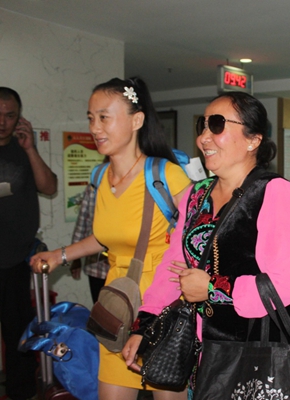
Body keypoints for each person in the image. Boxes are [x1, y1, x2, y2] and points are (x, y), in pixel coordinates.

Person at [121, 91, 290, 398]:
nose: (203, 138)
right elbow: (172, 266)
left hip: (251, 349)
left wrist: (211, 288)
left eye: (217, 125)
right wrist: (145, 325)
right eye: (202, 126)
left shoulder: (273, 193)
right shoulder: (197, 195)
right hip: (201, 348)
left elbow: (286, 284)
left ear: (253, 140)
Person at [30, 77, 191, 400]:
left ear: (136, 120)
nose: (95, 127)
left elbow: (195, 237)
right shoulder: (100, 176)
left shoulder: (166, 175)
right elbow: (105, 238)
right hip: (118, 303)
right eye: (91, 118)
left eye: (104, 117)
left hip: (163, 301)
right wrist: (60, 255)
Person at [0, 87, 57, 400]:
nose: (3, 122)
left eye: (10, 116)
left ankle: (21, 394)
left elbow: (49, 187)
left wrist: (31, 148)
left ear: (19, 118)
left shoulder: (23, 150)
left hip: (17, 261)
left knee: (18, 334)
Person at [70, 182, 110, 303]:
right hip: (97, 266)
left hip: (126, 268)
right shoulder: (94, 188)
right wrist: (75, 258)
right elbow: (82, 223)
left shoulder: (139, 185)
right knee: (100, 309)